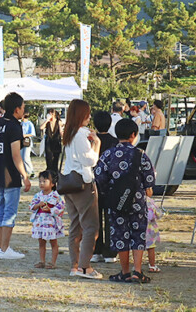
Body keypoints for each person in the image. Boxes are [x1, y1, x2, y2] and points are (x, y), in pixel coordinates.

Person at [95, 119, 156, 284]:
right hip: (137, 201)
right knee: (138, 234)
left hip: (116, 202)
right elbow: (150, 179)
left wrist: (110, 191)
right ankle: (137, 271)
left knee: (121, 234)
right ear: (133, 135)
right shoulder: (141, 154)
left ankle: (125, 272)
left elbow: (99, 177)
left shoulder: (108, 154)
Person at [61, 99, 103, 279]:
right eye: (87, 113)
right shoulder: (80, 135)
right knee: (91, 227)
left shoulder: (69, 133)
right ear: (82, 114)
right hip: (83, 184)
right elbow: (90, 161)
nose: (89, 116)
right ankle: (85, 267)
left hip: (68, 183)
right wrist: (97, 144)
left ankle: (75, 265)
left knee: (75, 226)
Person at [0, 92, 32, 260]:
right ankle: (5, 249)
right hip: (10, 175)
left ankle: (0, 247)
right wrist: (25, 176)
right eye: (23, 108)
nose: (23, 111)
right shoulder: (14, 126)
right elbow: (15, 155)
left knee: (0, 209)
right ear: (16, 109)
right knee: (10, 212)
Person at [91, 111, 120, 264]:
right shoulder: (115, 142)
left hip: (94, 183)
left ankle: (96, 250)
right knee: (111, 219)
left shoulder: (91, 140)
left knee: (95, 219)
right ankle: (110, 252)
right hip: (111, 185)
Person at [29, 170, 65, 269]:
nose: (41, 183)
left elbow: (61, 207)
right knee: (41, 242)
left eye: (44, 181)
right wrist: (37, 205)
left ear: (52, 183)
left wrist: (51, 209)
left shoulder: (56, 196)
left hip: (51, 222)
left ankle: (53, 262)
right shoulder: (37, 195)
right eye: (40, 181)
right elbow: (31, 206)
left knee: (53, 242)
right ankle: (42, 261)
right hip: (40, 222)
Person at [146, 195, 163, 273]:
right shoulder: (150, 201)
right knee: (151, 248)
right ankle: (152, 266)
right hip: (150, 229)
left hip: (138, 228)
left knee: (136, 248)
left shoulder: (134, 199)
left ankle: (136, 265)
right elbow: (159, 214)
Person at [21, 112, 36, 178]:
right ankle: (23, 172)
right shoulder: (20, 123)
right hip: (21, 143)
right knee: (21, 158)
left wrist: (25, 135)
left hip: (27, 142)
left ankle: (31, 172)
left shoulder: (30, 124)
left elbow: (32, 133)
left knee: (26, 158)